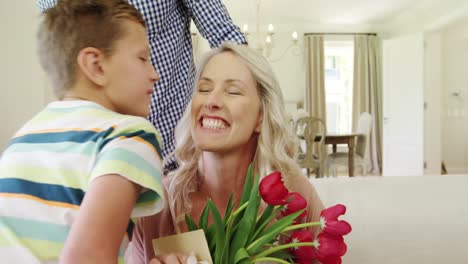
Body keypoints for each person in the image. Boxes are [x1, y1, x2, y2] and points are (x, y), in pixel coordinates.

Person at [0, 1, 172, 262]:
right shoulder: (129, 135)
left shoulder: (23, 138)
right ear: (96, 66)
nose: (155, 74)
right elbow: (89, 257)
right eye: (143, 58)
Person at [127, 42, 324, 263]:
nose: (211, 101)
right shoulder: (157, 204)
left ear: (261, 116)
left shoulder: (294, 194)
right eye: (204, 89)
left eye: (233, 91)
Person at [37, 0, 247, 172]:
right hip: (103, 154)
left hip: (181, 153)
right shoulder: (128, 149)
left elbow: (226, 36)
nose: (153, 74)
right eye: (142, 58)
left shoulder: (32, 142)